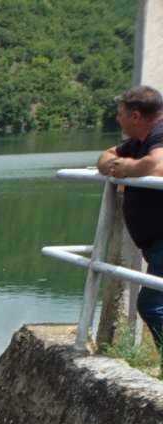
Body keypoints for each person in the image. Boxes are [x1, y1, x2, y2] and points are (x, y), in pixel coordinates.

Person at [98, 85, 163, 348]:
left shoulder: (159, 133)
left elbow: (158, 167)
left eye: (121, 113)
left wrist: (130, 169)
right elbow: (106, 157)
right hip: (156, 242)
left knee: (153, 304)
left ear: (135, 116)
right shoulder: (140, 141)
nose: (117, 118)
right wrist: (116, 165)